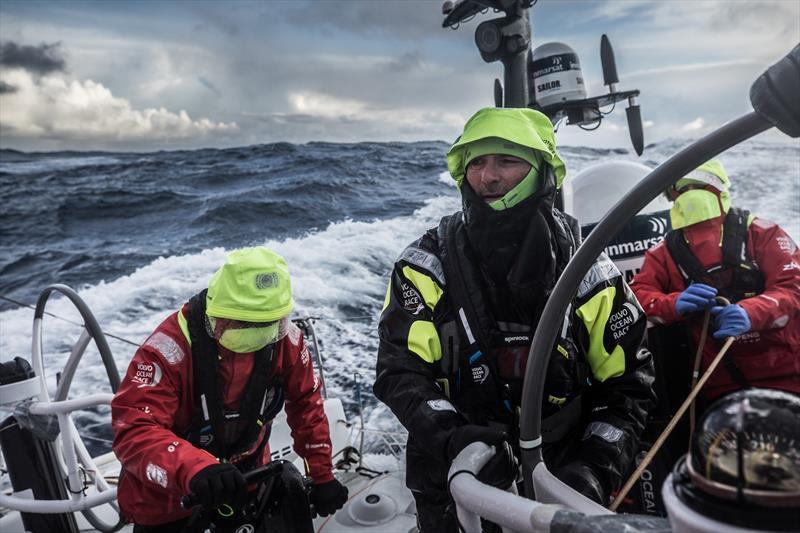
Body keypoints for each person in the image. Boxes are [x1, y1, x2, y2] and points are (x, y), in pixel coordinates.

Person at [373, 107, 656, 531]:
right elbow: (399, 371)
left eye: (506, 161)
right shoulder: (424, 267)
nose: (488, 177)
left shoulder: (586, 268)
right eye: (477, 163)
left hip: (565, 482)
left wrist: (594, 468)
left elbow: (630, 382)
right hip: (457, 482)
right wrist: (450, 437)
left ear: (543, 172)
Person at [111, 246, 348, 531]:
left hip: (249, 480)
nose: (264, 336)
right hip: (173, 500)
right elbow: (135, 430)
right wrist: (195, 469)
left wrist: (322, 475)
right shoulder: (167, 351)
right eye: (246, 327)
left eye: (272, 327)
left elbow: (306, 404)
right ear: (219, 316)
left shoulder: (287, 343)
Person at [631, 159, 800, 401]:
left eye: (697, 187)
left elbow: (793, 287)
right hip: (717, 384)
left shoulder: (762, 234)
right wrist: (673, 304)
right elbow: (636, 297)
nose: (690, 195)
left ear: (717, 189)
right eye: (683, 190)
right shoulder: (665, 252)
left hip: (785, 375)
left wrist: (751, 313)